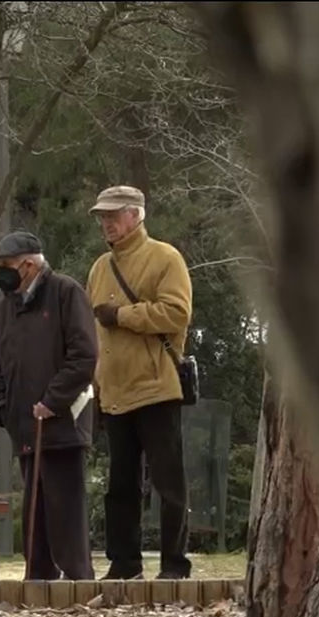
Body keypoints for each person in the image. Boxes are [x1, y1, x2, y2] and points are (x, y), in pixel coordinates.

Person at [87, 185, 193, 580]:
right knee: (120, 486)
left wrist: (123, 315)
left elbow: (176, 314)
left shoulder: (166, 258)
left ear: (136, 215)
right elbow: (92, 331)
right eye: (102, 217)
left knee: (169, 483)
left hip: (156, 387)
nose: (107, 223)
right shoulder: (99, 268)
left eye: (113, 215)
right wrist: (95, 384)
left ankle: (174, 565)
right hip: (113, 391)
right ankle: (124, 564)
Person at [0, 230, 98, 581]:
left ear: (30, 265)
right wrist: (1, 406)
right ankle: (39, 578)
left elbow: (84, 356)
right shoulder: (7, 307)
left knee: (65, 509)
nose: (2, 273)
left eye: (7, 266)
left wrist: (53, 400)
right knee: (34, 508)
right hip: (23, 424)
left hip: (63, 423)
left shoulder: (66, 293)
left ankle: (78, 580)